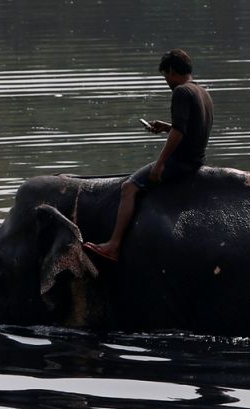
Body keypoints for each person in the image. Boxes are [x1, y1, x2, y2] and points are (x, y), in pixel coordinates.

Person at [84, 48, 214, 262]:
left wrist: (160, 164)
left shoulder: (181, 91)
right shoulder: (203, 92)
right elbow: (191, 127)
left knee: (129, 187)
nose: (166, 81)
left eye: (165, 76)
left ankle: (113, 246)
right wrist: (166, 127)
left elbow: (180, 133)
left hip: (181, 162)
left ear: (172, 71)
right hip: (197, 159)